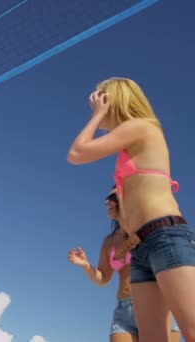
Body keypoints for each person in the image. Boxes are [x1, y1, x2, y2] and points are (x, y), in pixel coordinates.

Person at [67, 77, 195, 342]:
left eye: (102, 99)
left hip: (165, 236)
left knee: (191, 328)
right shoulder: (128, 143)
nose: (95, 103)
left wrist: (96, 115)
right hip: (140, 246)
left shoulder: (141, 127)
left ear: (115, 101)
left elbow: (77, 153)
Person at [68, 185, 180, 341]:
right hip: (123, 311)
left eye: (113, 198)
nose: (108, 203)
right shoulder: (109, 242)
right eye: (107, 199)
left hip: (153, 304)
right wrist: (86, 265)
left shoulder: (147, 230)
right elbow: (102, 279)